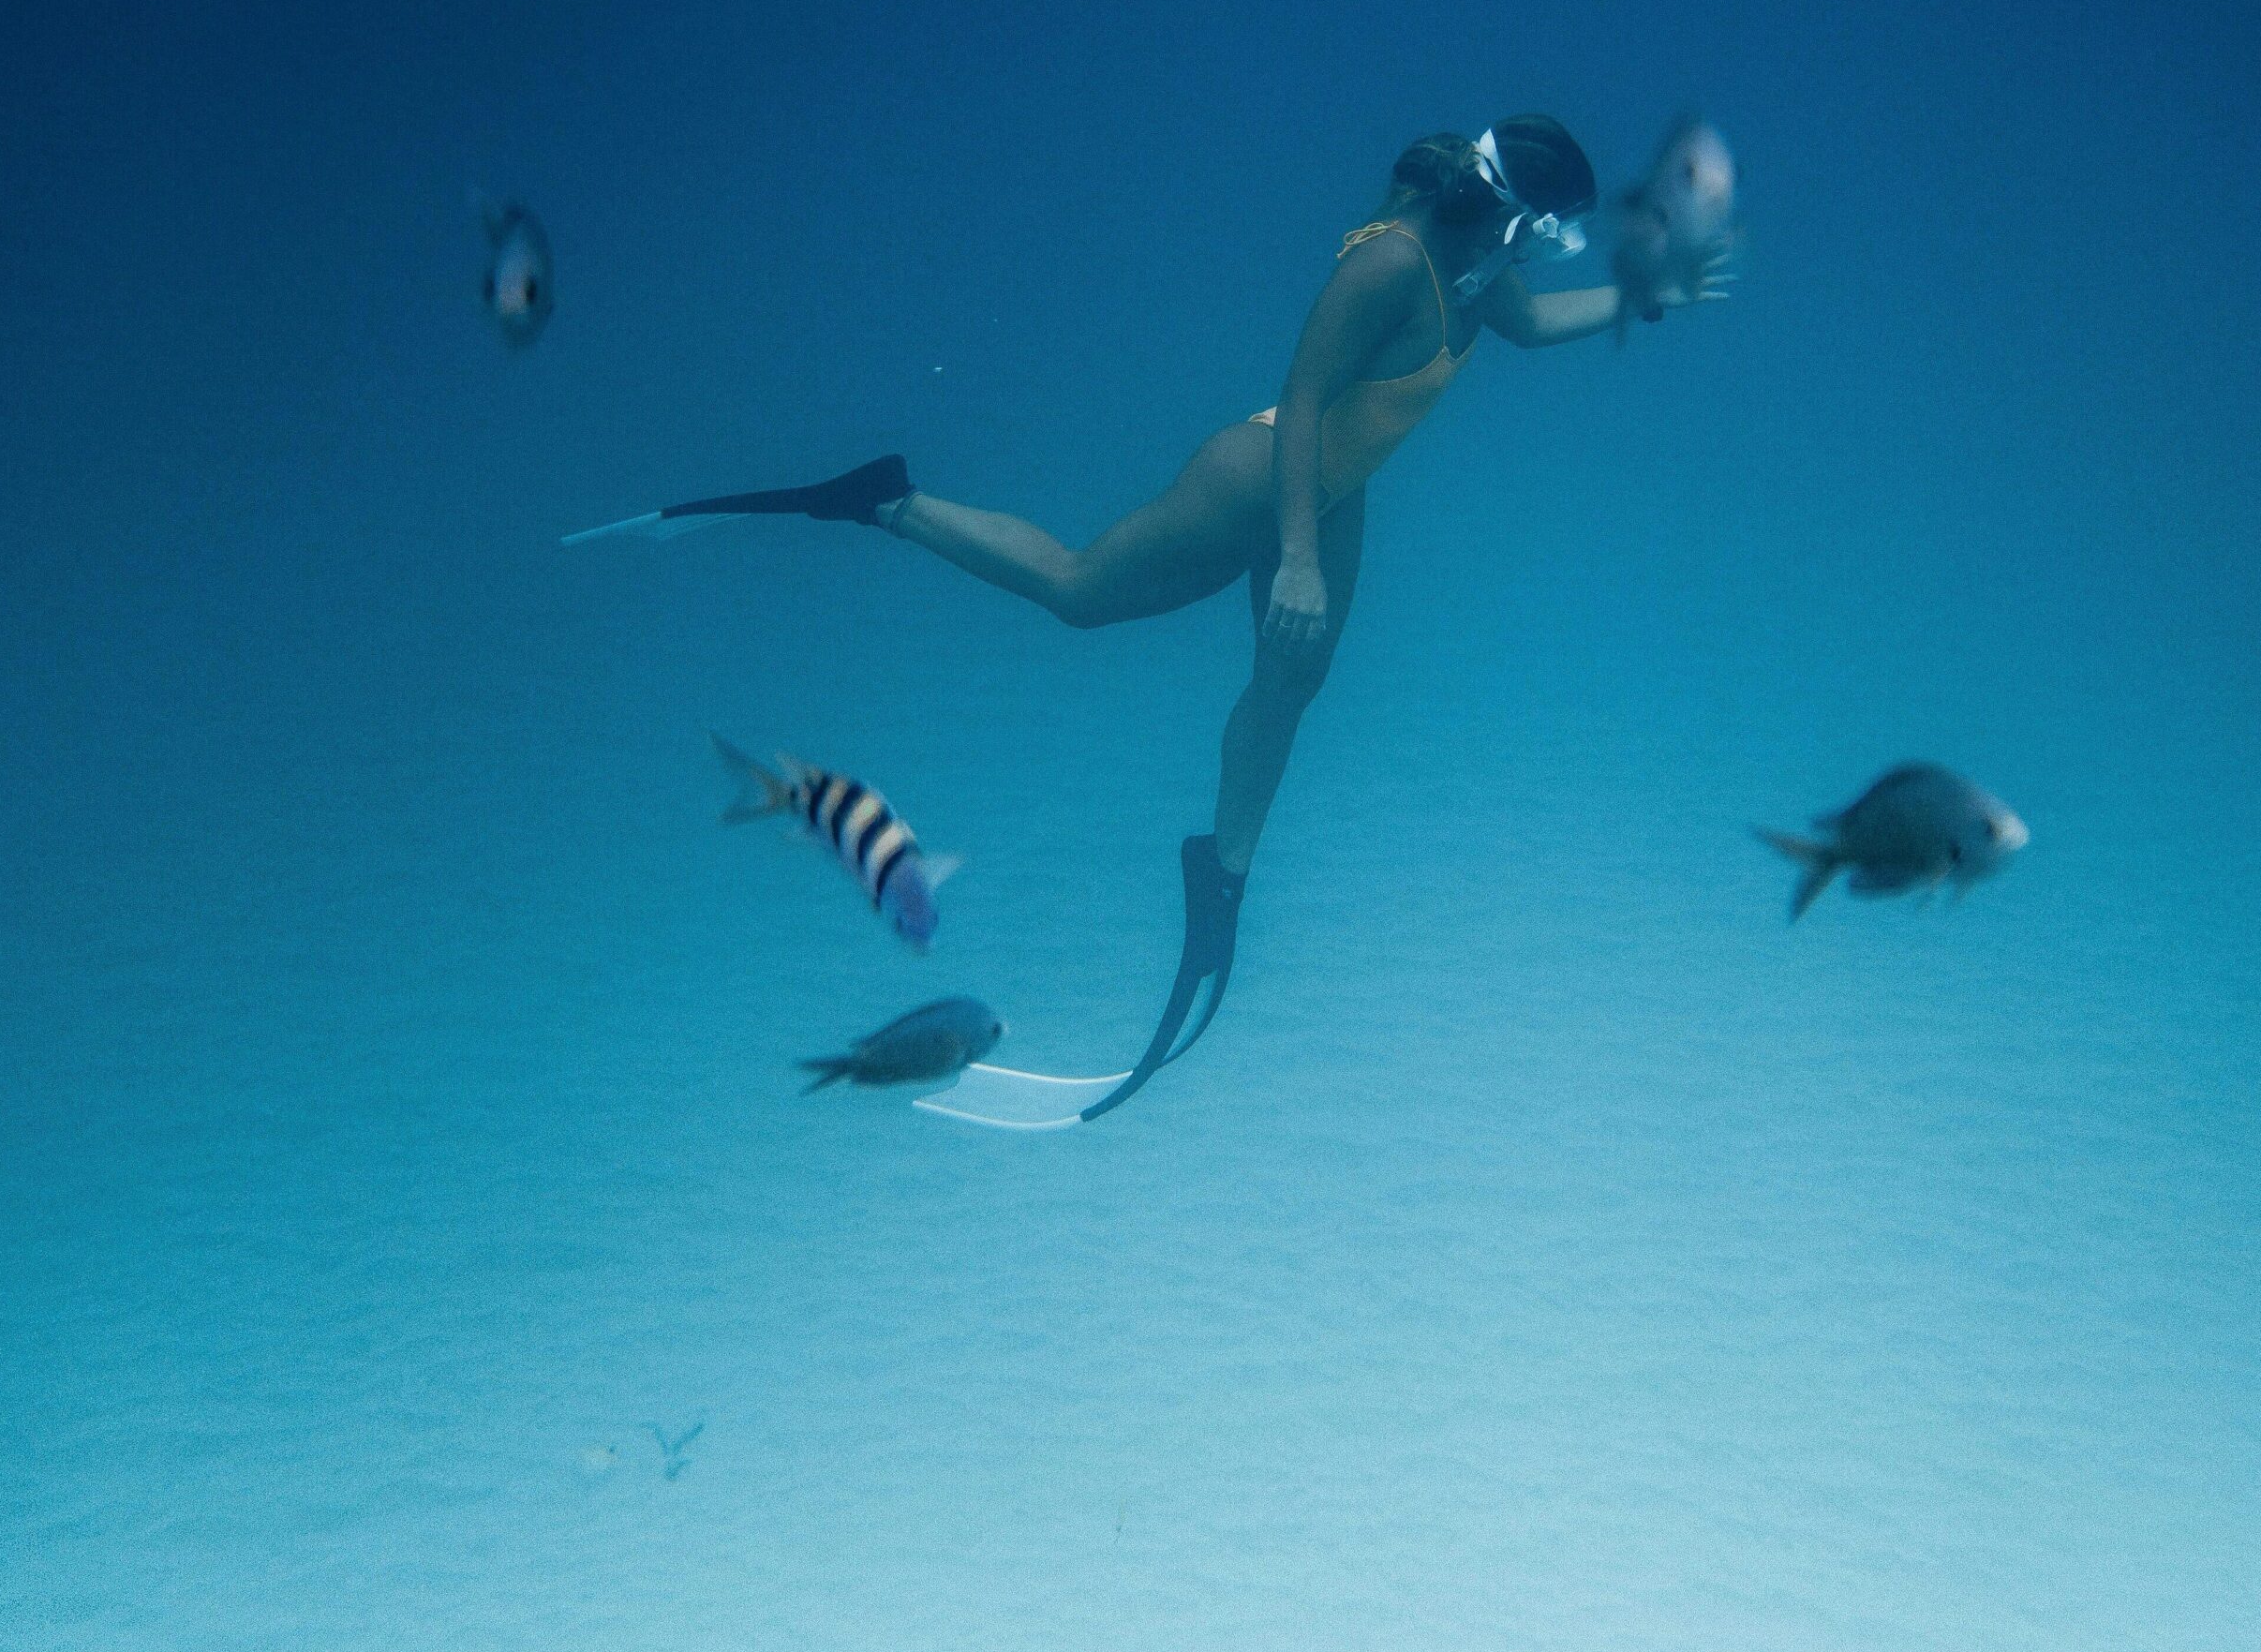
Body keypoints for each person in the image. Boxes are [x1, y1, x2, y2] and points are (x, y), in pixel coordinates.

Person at [573, 116, 1729, 1112]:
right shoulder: (1390, 264)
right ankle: (886, 500)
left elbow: (1522, 327)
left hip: (1333, 492)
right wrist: (1292, 558)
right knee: (1080, 596)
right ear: (1511, 207)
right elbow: (1308, 393)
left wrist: (1645, 291)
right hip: (1261, 482)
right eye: (1546, 227)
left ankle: (1219, 872)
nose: (1539, 247)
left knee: (1294, 684)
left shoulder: (1481, 263)